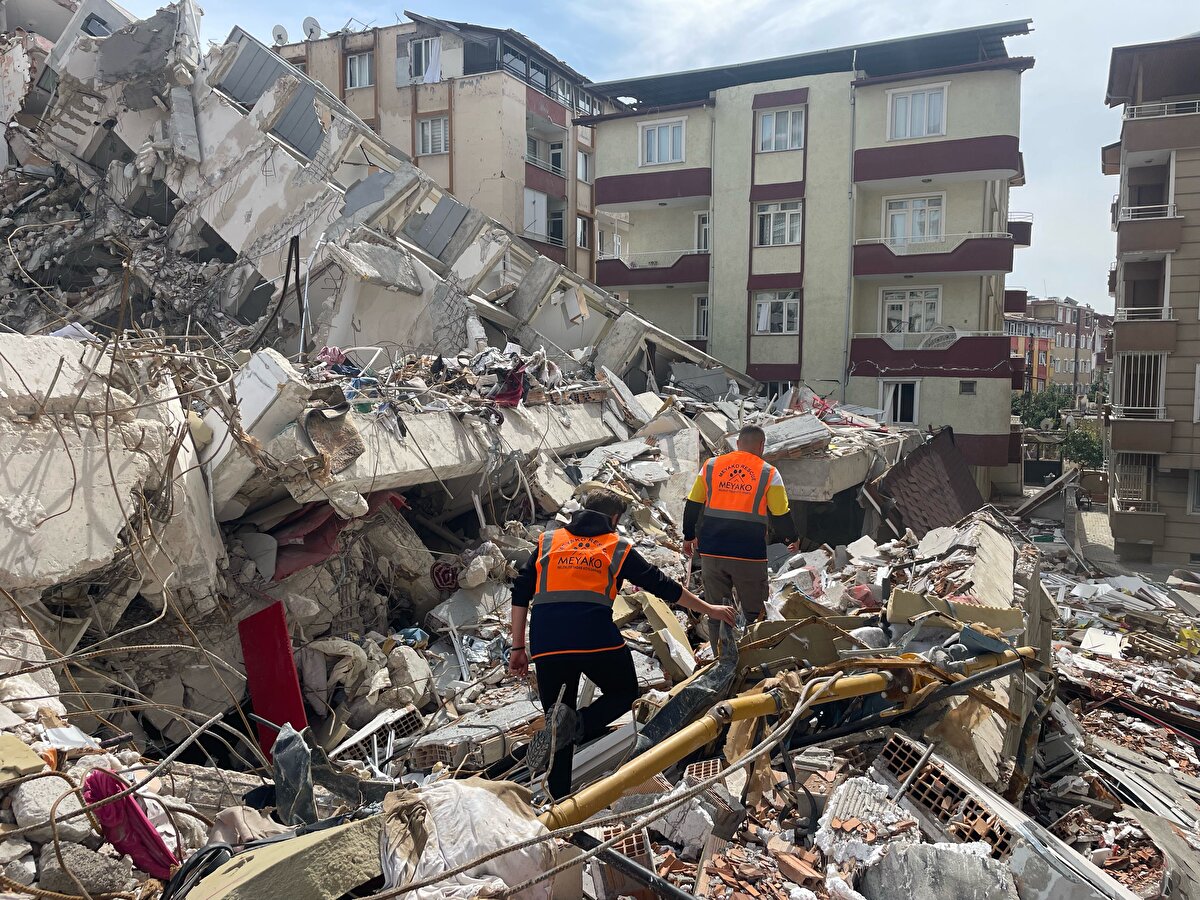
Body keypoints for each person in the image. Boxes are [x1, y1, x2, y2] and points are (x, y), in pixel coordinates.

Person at [509, 488, 735, 800]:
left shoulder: (550, 540)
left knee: (556, 725)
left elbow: (520, 592)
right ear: (614, 518)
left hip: (547, 642)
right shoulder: (616, 546)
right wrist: (709, 609)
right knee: (623, 691)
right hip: (593, 637)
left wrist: (517, 648)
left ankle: (558, 803)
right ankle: (579, 725)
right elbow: (662, 585)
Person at [682, 425, 797, 643]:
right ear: (762, 446)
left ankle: (722, 661)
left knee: (717, 613)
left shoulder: (711, 466)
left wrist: (688, 535)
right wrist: (791, 539)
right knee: (756, 615)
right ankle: (753, 664)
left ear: (737, 444)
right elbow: (781, 514)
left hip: (713, 554)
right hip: (749, 556)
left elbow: (693, 504)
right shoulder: (769, 473)